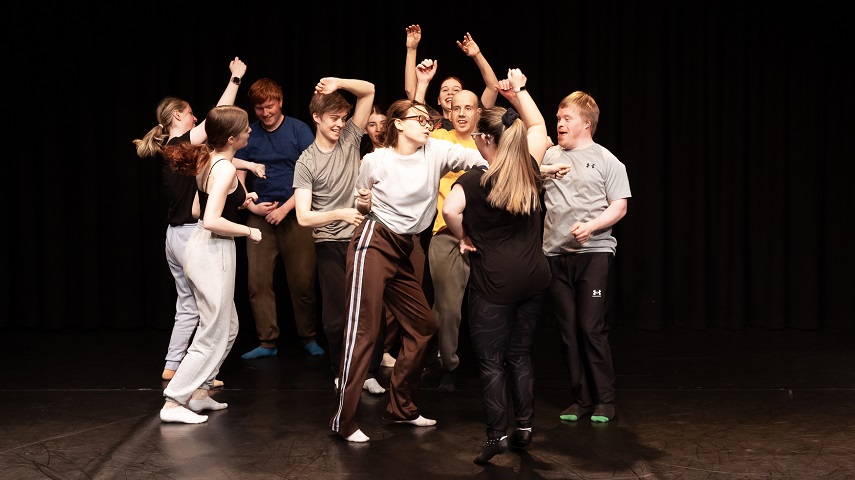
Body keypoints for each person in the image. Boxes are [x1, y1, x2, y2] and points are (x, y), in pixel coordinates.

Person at [330, 98, 488, 443]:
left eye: (428, 120)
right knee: (364, 331)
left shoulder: (437, 150)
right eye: (418, 119)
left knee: (423, 325)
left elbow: (478, 159)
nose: (426, 124)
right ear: (398, 123)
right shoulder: (376, 160)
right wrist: (361, 203)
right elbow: (360, 198)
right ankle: (344, 420)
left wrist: (505, 171)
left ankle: (401, 408)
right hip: (373, 241)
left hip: (405, 246)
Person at [443, 69, 571, 464]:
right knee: (520, 354)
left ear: (484, 140)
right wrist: (518, 91)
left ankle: (498, 434)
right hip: (535, 279)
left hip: (495, 285)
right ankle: (526, 426)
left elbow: (449, 209)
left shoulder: (473, 180)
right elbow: (537, 124)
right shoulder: (530, 167)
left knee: (492, 361)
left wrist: (464, 237)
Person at [132, 57, 262, 388]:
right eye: (190, 113)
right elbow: (220, 122)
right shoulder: (182, 143)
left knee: (190, 306)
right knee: (209, 314)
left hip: (174, 237)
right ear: (178, 116)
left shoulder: (177, 149)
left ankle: (178, 367)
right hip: (193, 235)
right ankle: (191, 380)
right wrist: (235, 79)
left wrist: (248, 170)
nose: (195, 118)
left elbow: (221, 152)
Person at [157, 105, 262, 423]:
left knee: (228, 328)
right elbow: (211, 219)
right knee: (211, 331)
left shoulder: (208, 159)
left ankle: (200, 393)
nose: (250, 131)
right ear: (232, 137)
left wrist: (238, 201)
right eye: (245, 128)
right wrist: (248, 229)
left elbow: (197, 208)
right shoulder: (224, 168)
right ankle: (174, 402)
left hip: (208, 247)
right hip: (211, 250)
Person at [542, 90, 632, 424]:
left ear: (586, 123)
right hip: (554, 254)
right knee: (567, 330)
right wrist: (545, 172)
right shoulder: (549, 155)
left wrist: (592, 226)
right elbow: (524, 179)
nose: (559, 123)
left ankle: (604, 400)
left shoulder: (607, 161)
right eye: (558, 118)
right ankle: (580, 399)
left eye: (566, 119)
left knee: (590, 326)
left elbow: (619, 206)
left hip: (593, 253)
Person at [292, 77, 386, 395]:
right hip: (329, 243)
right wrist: (340, 213)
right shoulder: (306, 162)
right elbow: (303, 216)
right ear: (317, 117)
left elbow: (369, 91)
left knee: (371, 310)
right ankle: (340, 370)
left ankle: (370, 371)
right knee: (336, 317)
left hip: (361, 239)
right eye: (334, 118)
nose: (340, 124)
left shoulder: (349, 139)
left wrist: (337, 83)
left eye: (343, 118)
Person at [411, 55, 498, 393]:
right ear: (448, 112)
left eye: (469, 107)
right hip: (446, 233)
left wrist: (476, 55)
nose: (462, 113)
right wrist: (421, 85)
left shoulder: (488, 141)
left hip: (486, 236)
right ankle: (448, 363)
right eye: (456, 107)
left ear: (478, 113)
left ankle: (490, 360)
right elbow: (413, 118)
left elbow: (492, 87)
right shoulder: (440, 139)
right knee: (447, 307)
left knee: (491, 303)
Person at [238, 78, 324, 360]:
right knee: (257, 283)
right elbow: (238, 175)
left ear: (280, 102)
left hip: (295, 212)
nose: (265, 113)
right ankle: (267, 342)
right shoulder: (248, 133)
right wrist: (251, 206)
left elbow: (313, 175)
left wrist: (285, 209)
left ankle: (308, 337)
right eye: (260, 108)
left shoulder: (298, 130)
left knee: (302, 282)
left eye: (270, 106)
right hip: (261, 216)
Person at [358, 104, 401, 370]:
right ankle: (373, 356)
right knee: (372, 299)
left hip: (400, 230)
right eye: (372, 124)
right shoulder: (364, 157)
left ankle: (386, 349)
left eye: (382, 123)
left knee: (396, 298)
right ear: (365, 129)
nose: (378, 129)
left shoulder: (400, 151)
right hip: (372, 230)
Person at [404, 25, 499, 130]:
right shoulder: (432, 119)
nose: (450, 93)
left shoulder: (476, 116)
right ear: (439, 100)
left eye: (456, 90)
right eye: (445, 90)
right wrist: (411, 49)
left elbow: (493, 87)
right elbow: (411, 91)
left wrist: (477, 55)